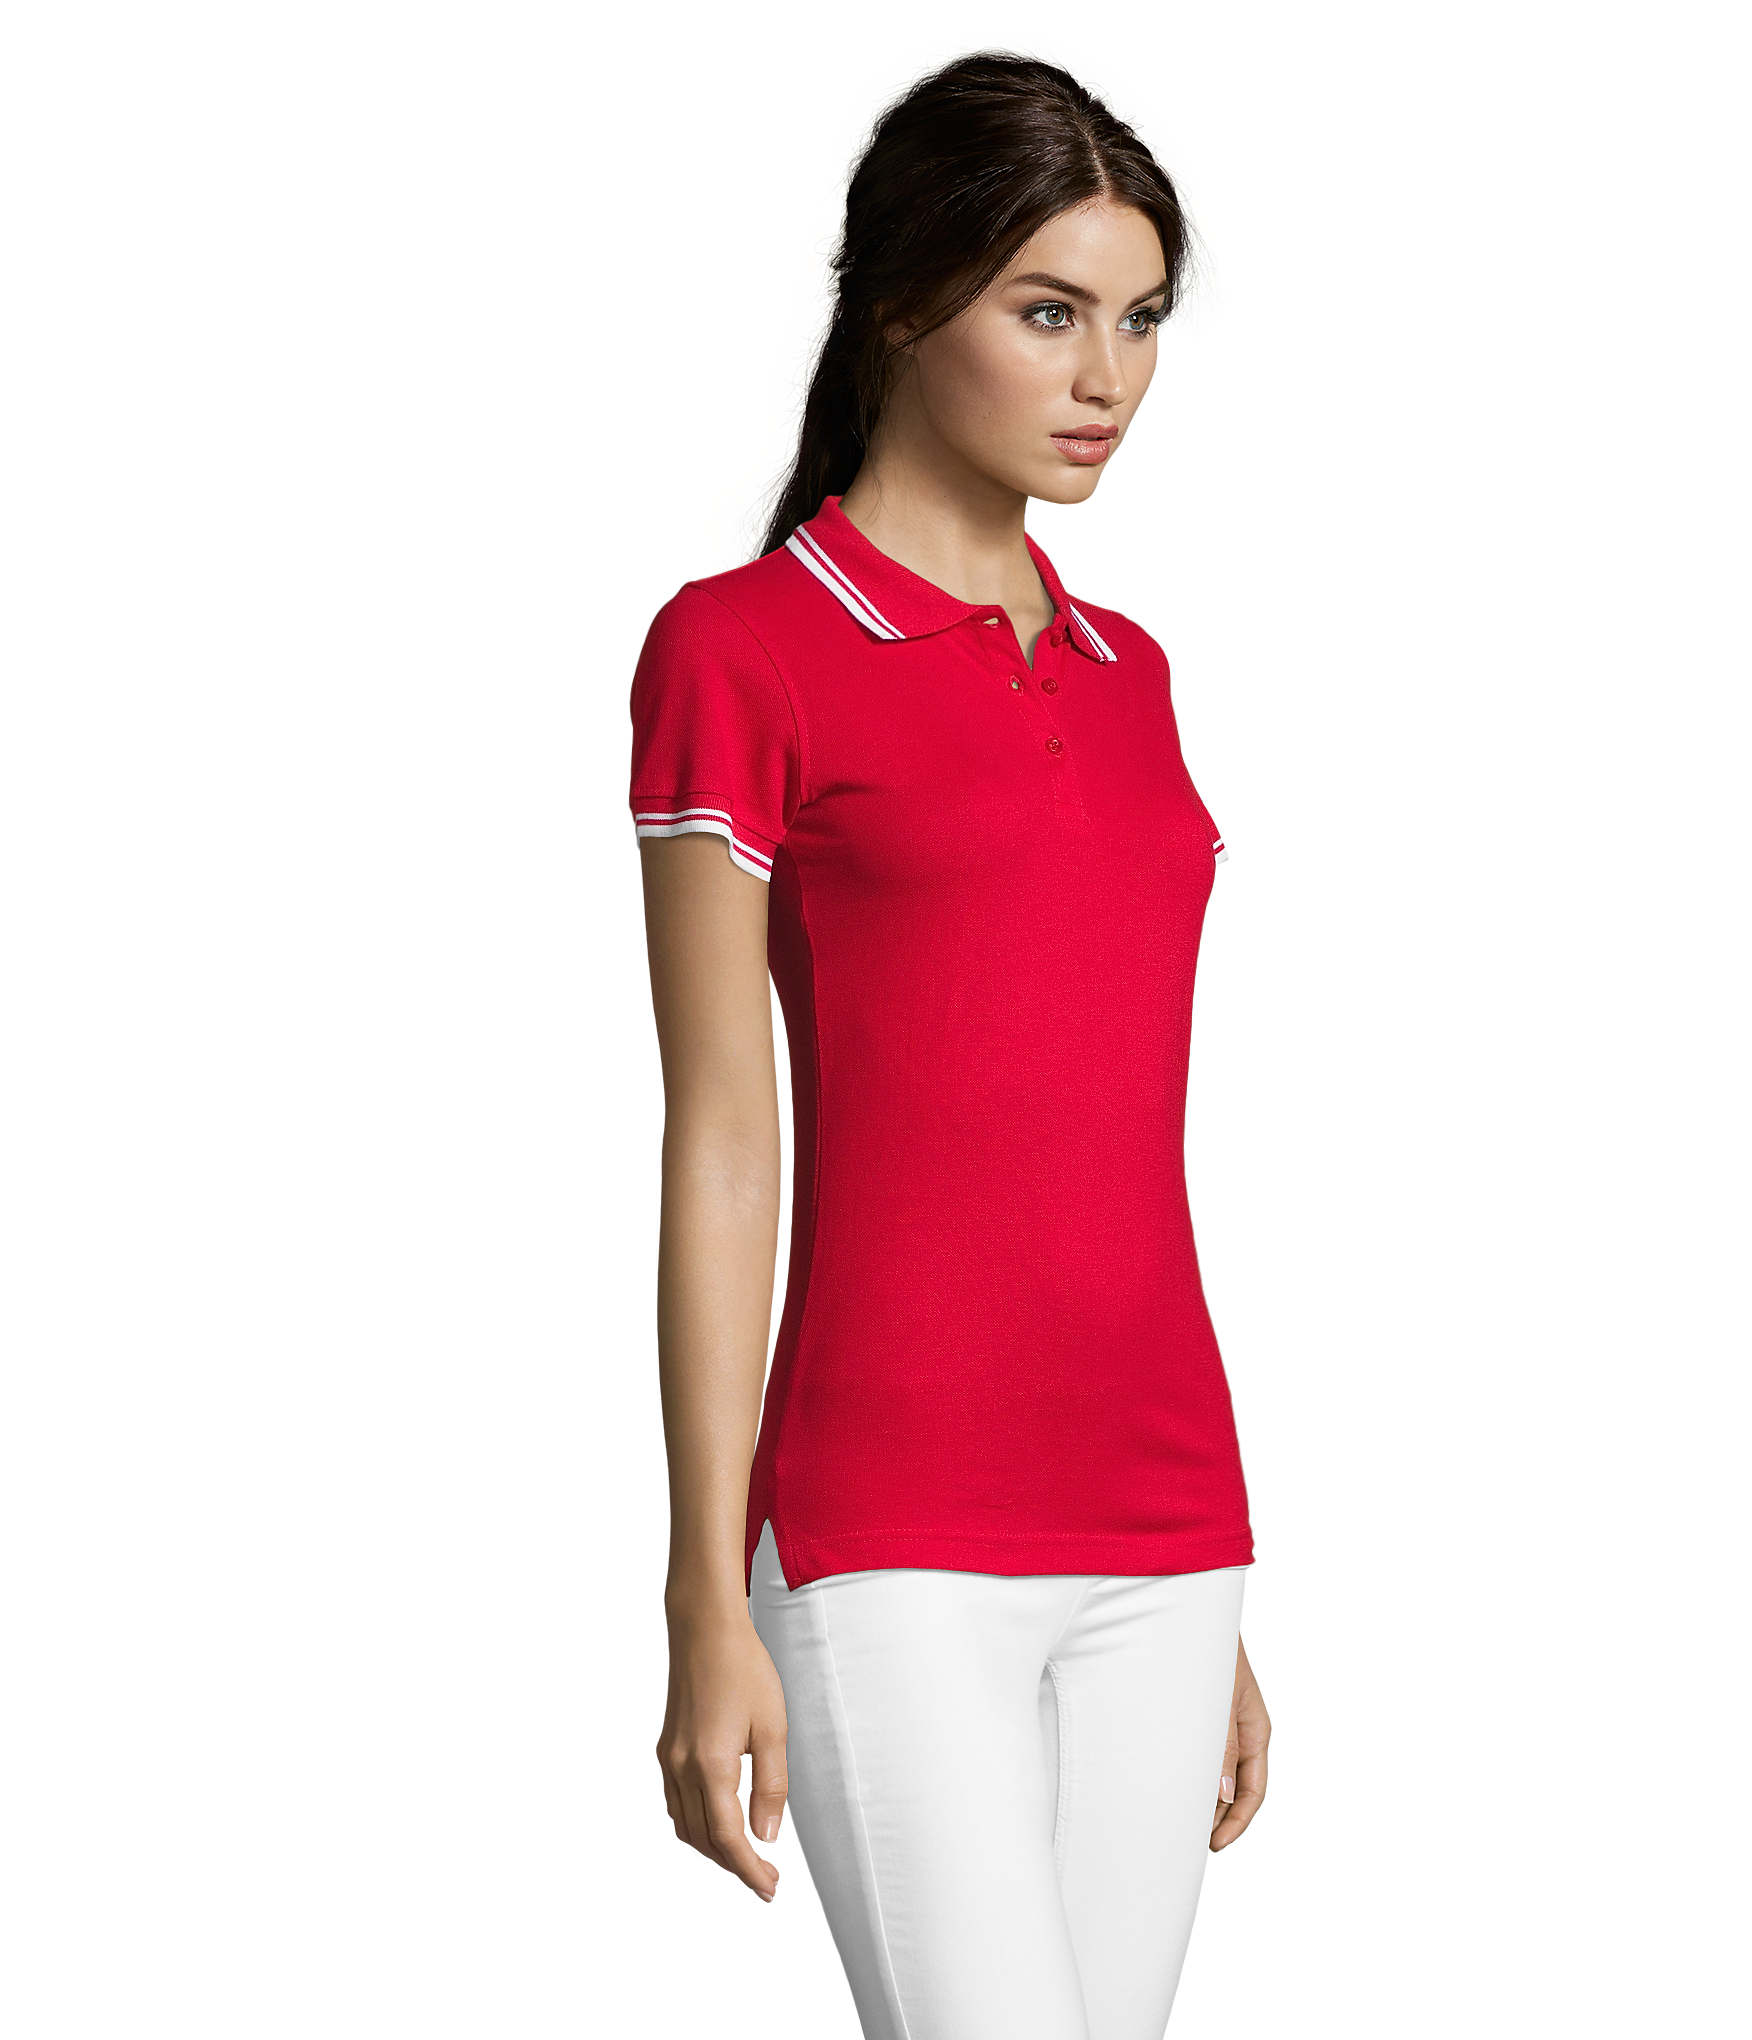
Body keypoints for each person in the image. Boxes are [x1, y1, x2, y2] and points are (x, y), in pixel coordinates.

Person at [631, 50, 1270, 2040]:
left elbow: (1099, 1129)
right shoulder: (741, 649)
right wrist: (704, 1590)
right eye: (1049, 312)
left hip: (1169, 1531)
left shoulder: (1132, 673)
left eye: (1140, 319)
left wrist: (1219, 1616)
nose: (1109, 378)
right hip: (887, 1530)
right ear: (904, 301)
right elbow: (720, 1141)